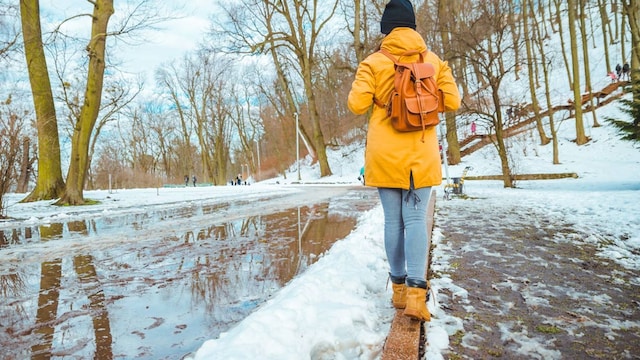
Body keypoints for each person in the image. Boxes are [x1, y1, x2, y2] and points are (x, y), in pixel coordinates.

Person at [348, 0, 461, 322]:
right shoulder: (434, 61)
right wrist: (422, 97)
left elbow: (356, 105)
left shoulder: (372, 62)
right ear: (413, 26)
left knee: (392, 222)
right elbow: (452, 101)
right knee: (415, 221)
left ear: (386, 29)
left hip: (384, 152)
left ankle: (397, 292)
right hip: (421, 151)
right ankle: (416, 296)